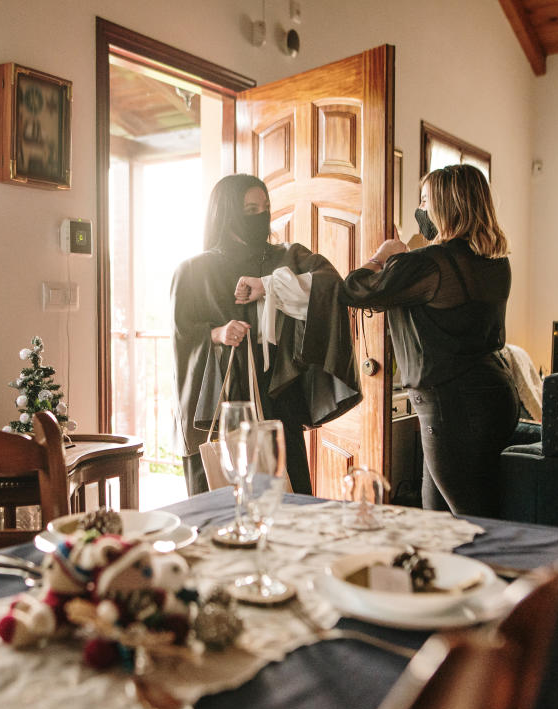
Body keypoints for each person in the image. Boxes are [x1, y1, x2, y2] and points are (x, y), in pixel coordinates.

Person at [341, 164, 519, 516]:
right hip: (495, 394)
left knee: (471, 521)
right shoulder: (496, 262)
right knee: (438, 517)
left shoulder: (428, 263)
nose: (420, 210)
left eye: (425, 200)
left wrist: (384, 257)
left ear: (446, 205)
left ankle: (500, 572)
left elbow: (355, 290)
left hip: (452, 406)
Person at [172, 174, 361, 496]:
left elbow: (331, 286)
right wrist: (216, 334)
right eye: (249, 209)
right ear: (227, 211)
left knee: (287, 491)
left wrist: (272, 285)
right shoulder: (193, 270)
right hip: (223, 397)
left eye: (264, 207)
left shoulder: (287, 257)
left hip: (277, 393)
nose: (260, 216)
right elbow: (183, 336)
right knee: (223, 499)